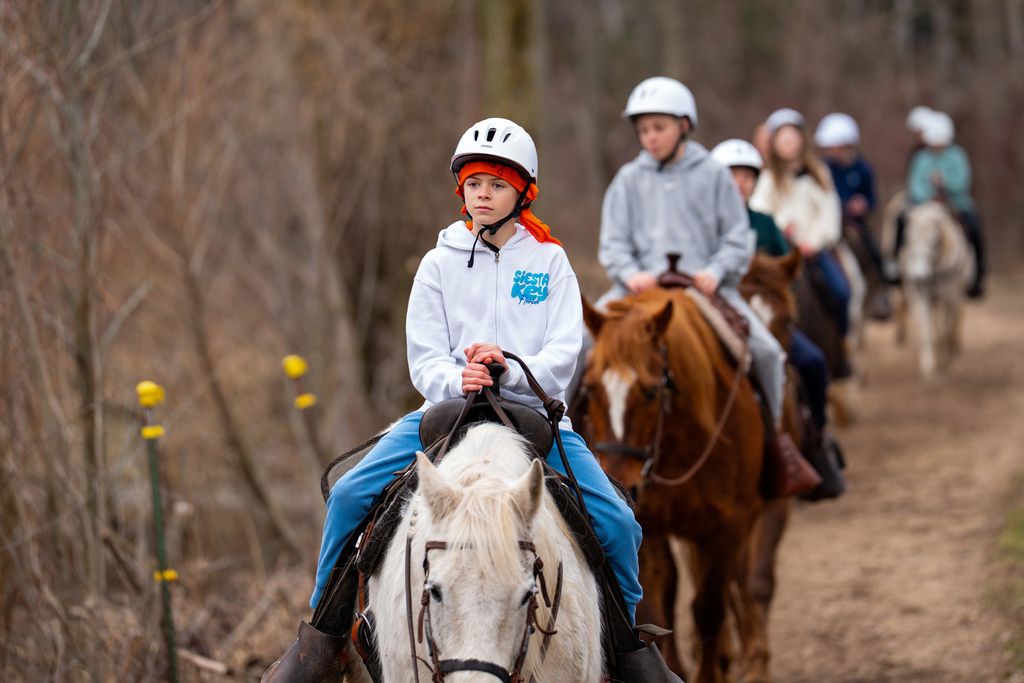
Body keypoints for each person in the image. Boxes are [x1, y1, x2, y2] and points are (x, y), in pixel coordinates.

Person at [264, 118, 646, 680]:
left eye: (495, 184)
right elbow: (423, 356)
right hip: (445, 411)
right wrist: (456, 378)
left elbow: (565, 352)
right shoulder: (438, 263)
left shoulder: (550, 263)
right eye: (472, 184)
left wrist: (511, 369)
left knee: (618, 523)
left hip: (534, 414)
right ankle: (324, 642)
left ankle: (626, 652)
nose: (482, 195)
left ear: (523, 192)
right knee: (347, 496)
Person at [598, 77, 797, 475]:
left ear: (684, 125)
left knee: (768, 352)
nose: (650, 137)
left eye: (659, 128)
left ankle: (775, 446)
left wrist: (715, 271)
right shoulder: (627, 180)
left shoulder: (714, 175)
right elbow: (613, 243)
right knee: (584, 344)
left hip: (707, 291)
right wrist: (632, 273)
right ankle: (563, 445)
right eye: (643, 130)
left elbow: (737, 238)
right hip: (638, 291)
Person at [710, 139, 835, 476]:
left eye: (747, 177)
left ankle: (818, 440)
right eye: (731, 176)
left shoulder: (765, 224)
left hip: (762, 321)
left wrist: (768, 297)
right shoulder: (703, 226)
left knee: (813, 362)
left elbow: (788, 277)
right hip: (716, 318)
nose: (740, 183)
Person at [749, 108, 852, 342]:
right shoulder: (767, 178)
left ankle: (842, 340)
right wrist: (781, 228)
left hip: (814, 249)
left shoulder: (818, 174)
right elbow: (761, 210)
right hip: (781, 250)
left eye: (792, 137)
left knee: (841, 290)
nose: (788, 143)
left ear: (801, 140)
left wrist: (813, 242)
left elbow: (829, 213)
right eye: (782, 138)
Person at [815, 112, 890, 318]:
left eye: (835, 146)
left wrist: (863, 205)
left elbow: (872, 200)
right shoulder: (822, 169)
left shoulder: (863, 169)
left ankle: (881, 290)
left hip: (857, 224)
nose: (832, 151)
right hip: (828, 223)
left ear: (847, 144)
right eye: (829, 146)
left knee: (871, 249)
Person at [903, 110, 986, 297]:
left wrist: (944, 183)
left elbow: (963, 182)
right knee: (902, 221)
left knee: (974, 224)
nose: (937, 147)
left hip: (956, 203)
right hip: (925, 205)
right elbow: (915, 185)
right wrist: (930, 195)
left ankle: (979, 271)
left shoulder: (957, 156)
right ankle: (895, 265)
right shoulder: (921, 158)